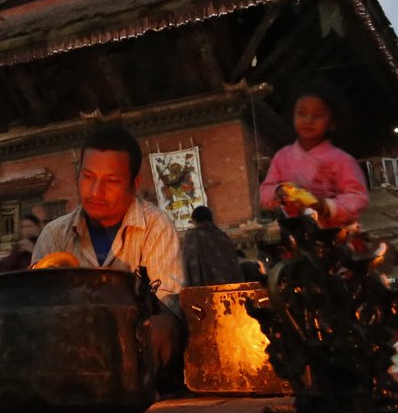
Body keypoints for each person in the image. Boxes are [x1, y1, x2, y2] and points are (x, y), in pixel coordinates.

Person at [32, 124, 187, 374]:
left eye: (111, 181)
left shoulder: (155, 226)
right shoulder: (55, 234)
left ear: (134, 184)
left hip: (132, 345)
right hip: (70, 348)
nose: (95, 192)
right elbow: (36, 305)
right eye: (88, 177)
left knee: (161, 326)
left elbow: (166, 303)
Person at [258, 87, 369, 228]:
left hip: (334, 233)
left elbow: (358, 197)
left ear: (332, 123)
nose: (308, 120)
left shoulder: (342, 160)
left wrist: (328, 206)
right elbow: (265, 191)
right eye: (302, 114)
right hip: (295, 233)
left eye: (317, 115)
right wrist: (278, 192)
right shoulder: (282, 157)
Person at [181, 204, 242, 287]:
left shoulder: (193, 236)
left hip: (206, 293)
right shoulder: (223, 236)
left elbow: (189, 266)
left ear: (195, 221)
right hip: (231, 290)